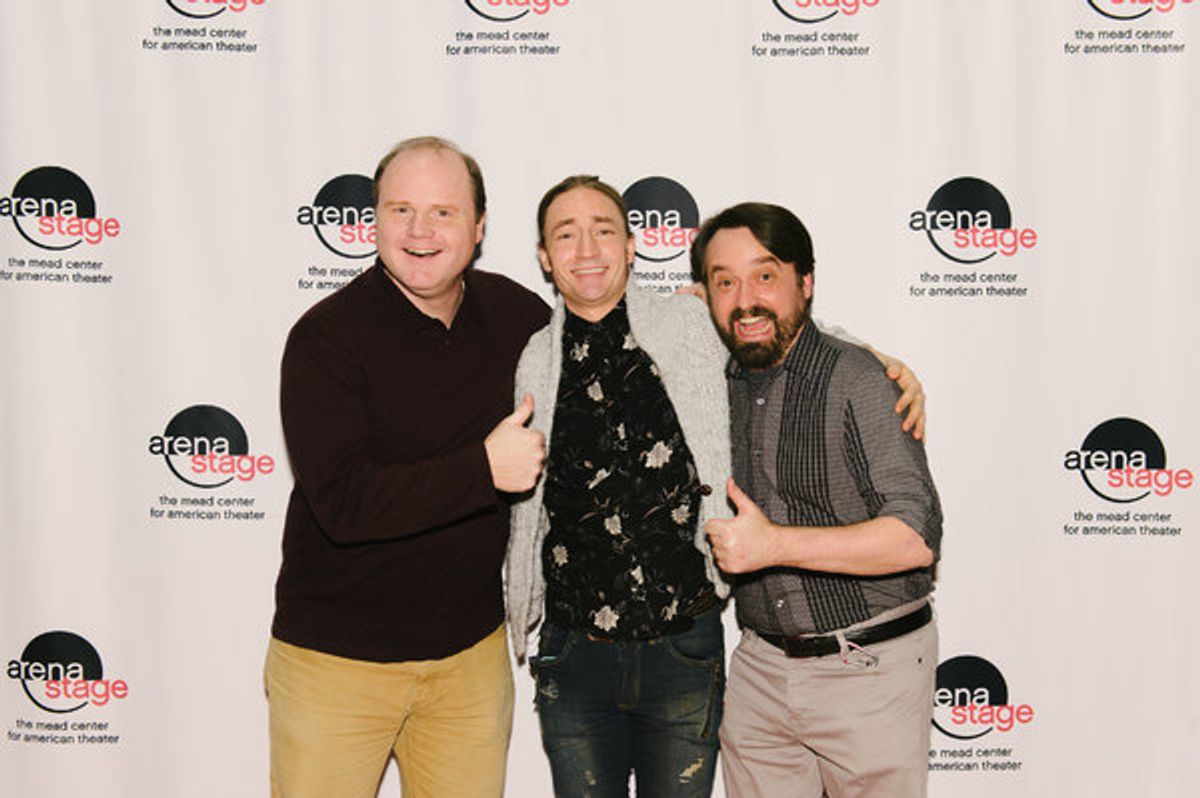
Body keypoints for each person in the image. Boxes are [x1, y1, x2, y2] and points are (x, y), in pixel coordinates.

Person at [505, 178, 927, 798]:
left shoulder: (687, 322)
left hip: (684, 643)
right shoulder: (534, 356)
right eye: (565, 235)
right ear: (544, 256)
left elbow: (771, 327)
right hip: (573, 651)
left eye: (603, 230)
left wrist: (882, 362)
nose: (586, 248)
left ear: (631, 244)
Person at [264, 136, 550, 798]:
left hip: (469, 663)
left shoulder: (518, 317)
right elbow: (343, 503)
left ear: (478, 228)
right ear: (373, 223)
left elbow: (601, 357)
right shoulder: (325, 338)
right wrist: (483, 469)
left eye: (444, 212)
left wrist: (676, 315)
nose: (420, 231)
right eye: (401, 210)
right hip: (336, 665)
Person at [694, 202, 943, 798]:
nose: (744, 298)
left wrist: (773, 545)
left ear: (805, 283)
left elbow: (915, 536)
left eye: (765, 275)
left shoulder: (856, 377)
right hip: (759, 670)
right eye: (724, 281)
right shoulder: (709, 378)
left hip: (870, 665)